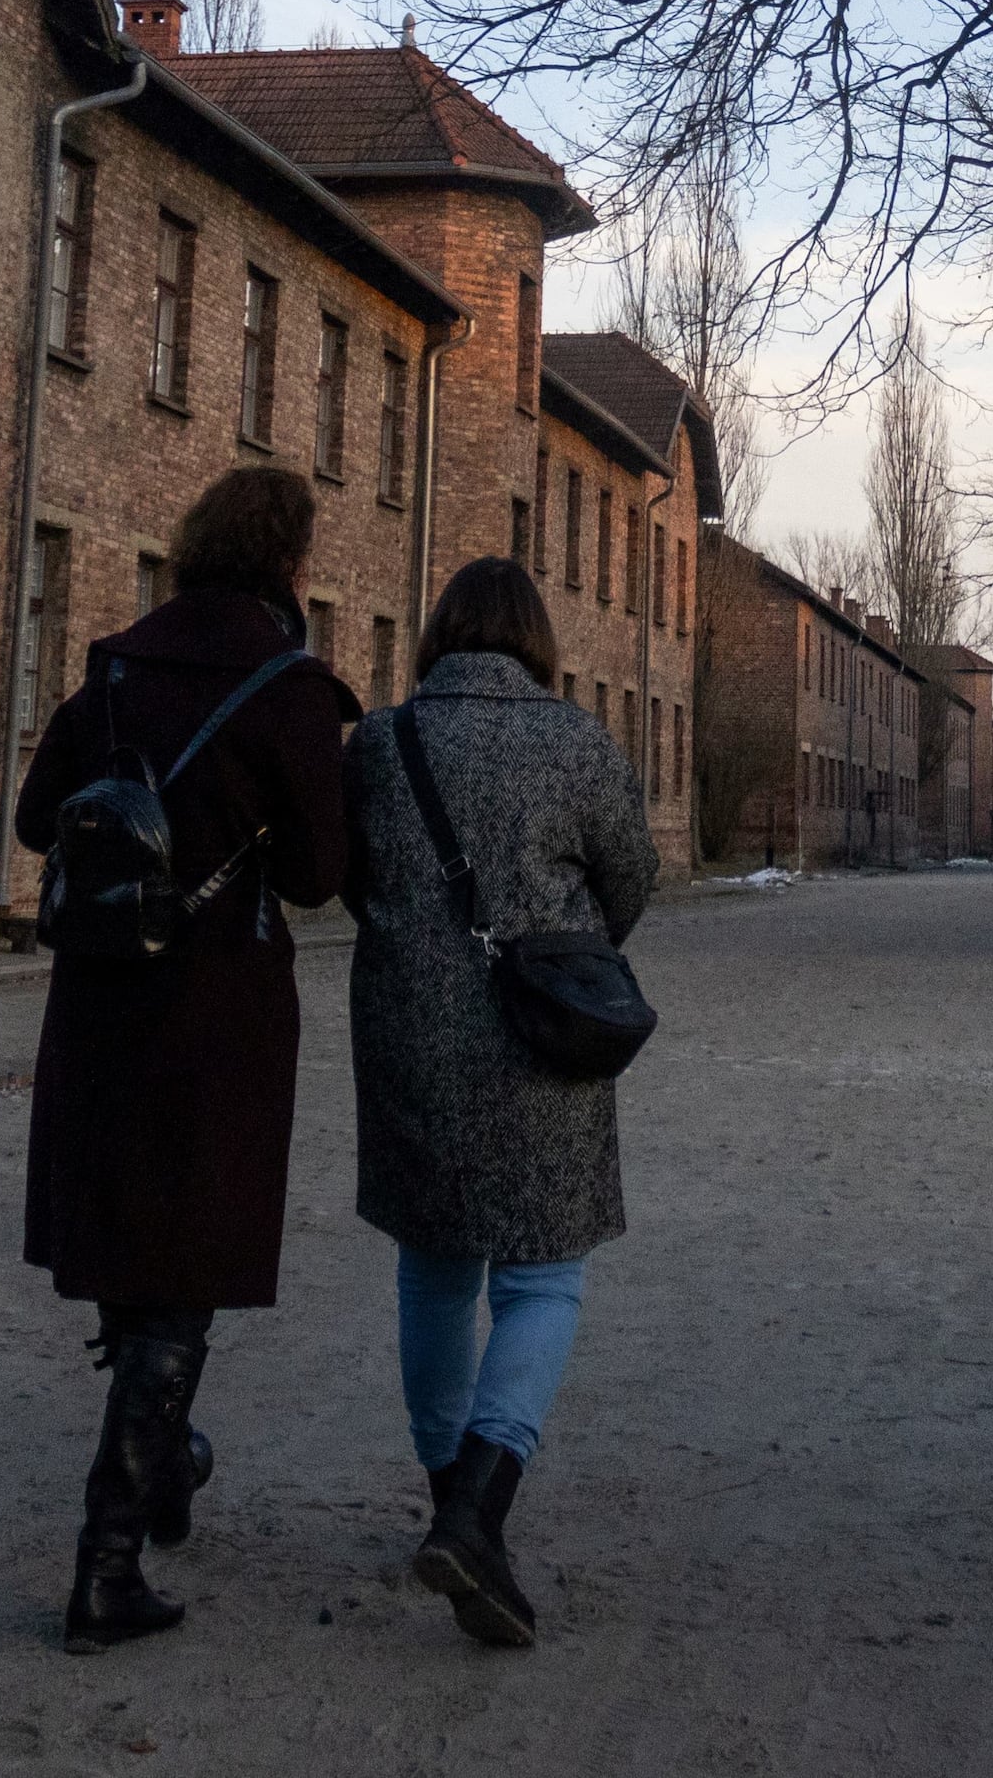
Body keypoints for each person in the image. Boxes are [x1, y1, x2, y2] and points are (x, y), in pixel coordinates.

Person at [10, 465, 359, 1650]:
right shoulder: (287, 687)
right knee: (187, 1261)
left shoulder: (113, 664)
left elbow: (33, 815)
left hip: (101, 1000)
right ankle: (105, 1564)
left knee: (128, 1231)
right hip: (216, 1013)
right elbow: (319, 872)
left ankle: (161, 1468)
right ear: (290, 563)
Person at [345, 555, 656, 1647]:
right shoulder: (576, 740)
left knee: (431, 1269)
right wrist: (559, 952)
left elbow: (354, 876)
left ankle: (446, 1499)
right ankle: (481, 1503)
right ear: (535, 642)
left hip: (411, 1048)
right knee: (542, 1277)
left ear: (437, 635)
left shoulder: (381, 743)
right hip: (541, 1046)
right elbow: (631, 878)